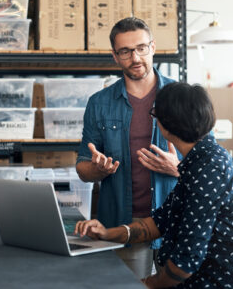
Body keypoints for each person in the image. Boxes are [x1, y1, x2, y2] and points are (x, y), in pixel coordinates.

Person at [75, 82, 233, 288]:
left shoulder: (209, 169)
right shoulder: (199, 162)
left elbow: (186, 260)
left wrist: (147, 284)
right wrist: (107, 233)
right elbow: (159, 222)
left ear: (166, 125)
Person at [76, 17, 180, 279]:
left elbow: (214, 164)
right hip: (124, 226)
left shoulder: (182, 97)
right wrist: (97, 169)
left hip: (177, 224)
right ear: (115, 56)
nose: (135, 57)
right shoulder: (99, 103)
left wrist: (177, 168)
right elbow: (82, 168)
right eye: (125, 51)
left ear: (153, 47)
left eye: (141, 48)